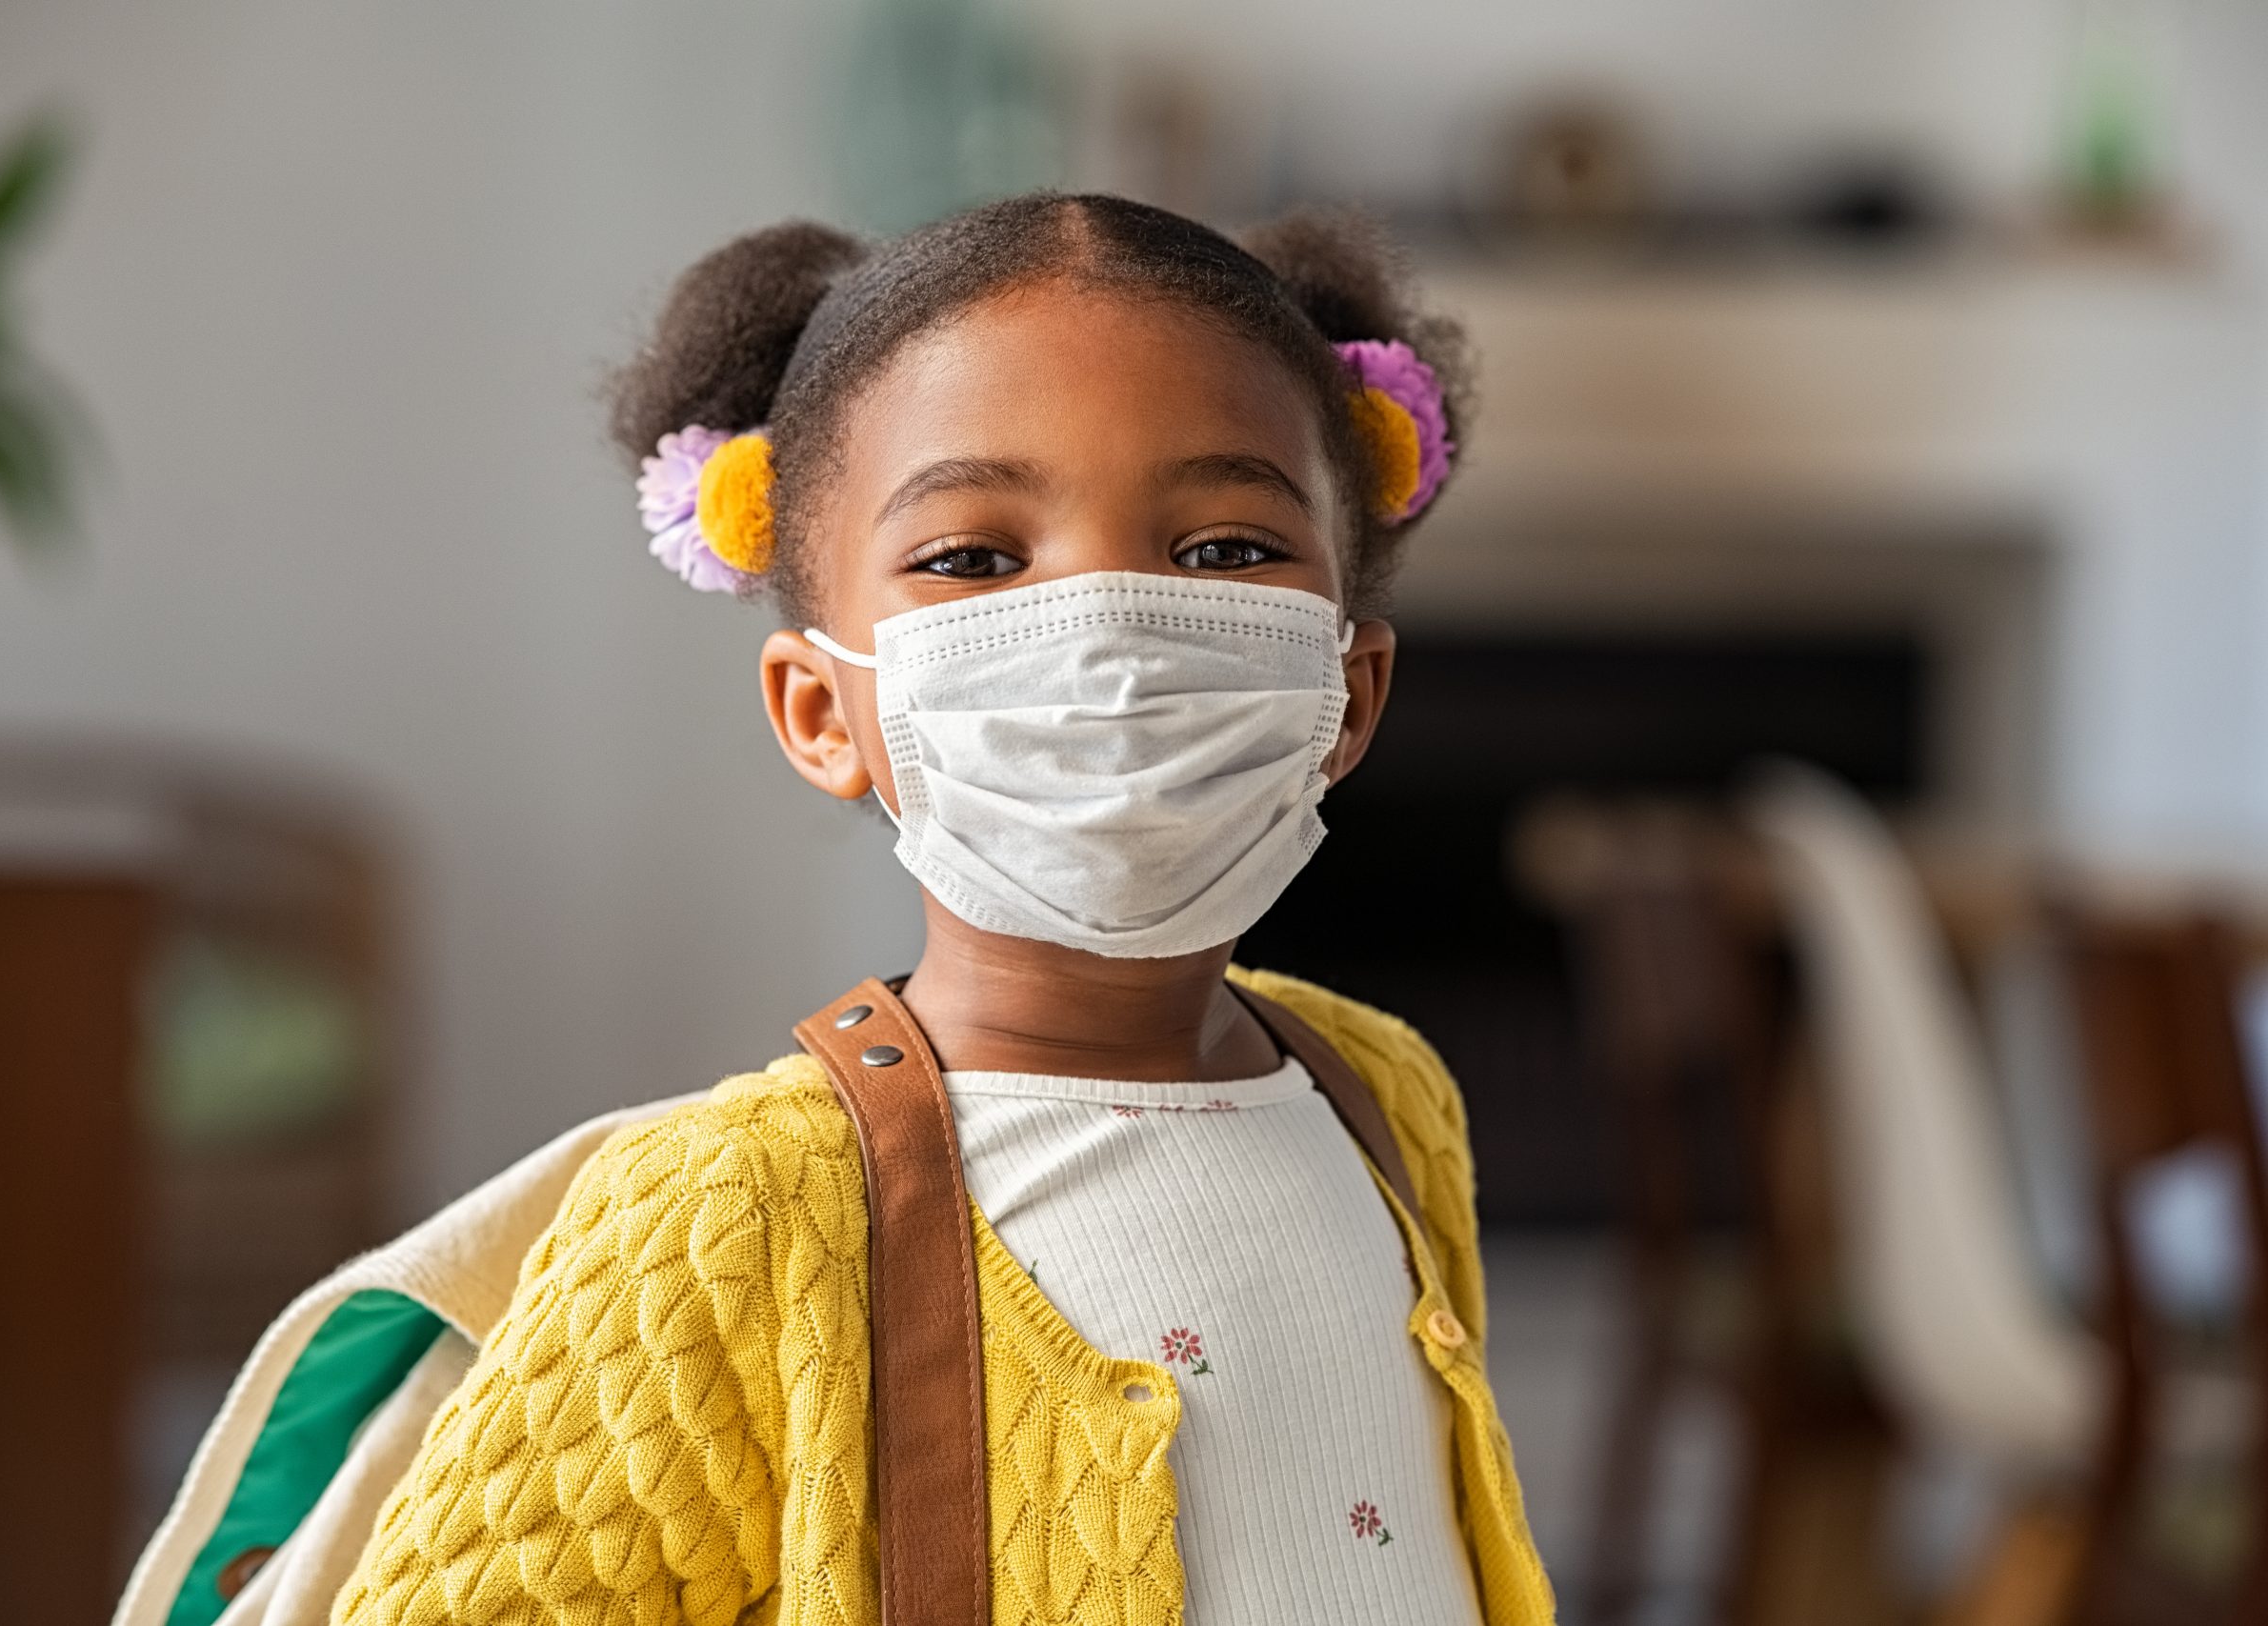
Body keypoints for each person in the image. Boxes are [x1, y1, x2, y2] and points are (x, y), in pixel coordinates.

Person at [337, 193, 1548, 1626]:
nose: (1112, 637)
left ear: (1348, 692)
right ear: (820, 709)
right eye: (975, 558)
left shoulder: (1389, 1103)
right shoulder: (737, 1213)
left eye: (1224, 550)